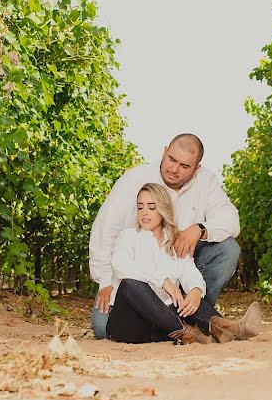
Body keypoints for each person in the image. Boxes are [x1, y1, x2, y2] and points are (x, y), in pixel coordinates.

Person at [89, 133, 241, 339]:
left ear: (196, 169)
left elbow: (229, 221)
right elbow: (107, 233)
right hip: (133, 291)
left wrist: (199, 229)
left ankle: (205, 319)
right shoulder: (131, 226)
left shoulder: (173, 239)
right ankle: (185, 326)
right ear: (164, 151)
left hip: (173, 291)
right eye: (171, 159)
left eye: (184, 166)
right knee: (102, 327)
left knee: (228, 249)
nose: (174, 169)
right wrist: (105, 281)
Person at [106, 183, 261, 344]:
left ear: (163, 209)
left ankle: (226, 329)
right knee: (130, 284)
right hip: (128, 325)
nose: (144, 212)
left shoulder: (175, 242)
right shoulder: (128, 236)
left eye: (151, 207)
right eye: (140, 207)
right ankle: (189, 333)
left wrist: (195, 290)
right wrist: (163, 281)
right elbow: (120, 265)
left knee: (189, 298)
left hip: (162, 325)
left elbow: (189, 271)